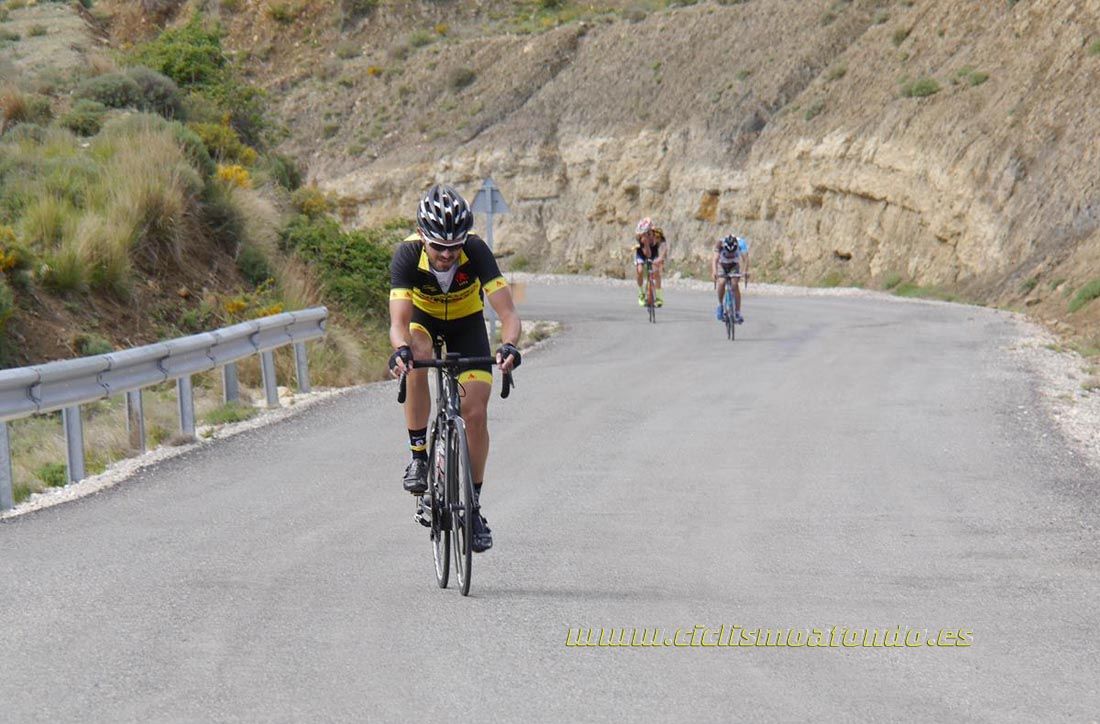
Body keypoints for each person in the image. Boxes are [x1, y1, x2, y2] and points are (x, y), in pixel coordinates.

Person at [388, 184, 522, 553]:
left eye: (454, 246)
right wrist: (400, 351)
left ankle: (473, 507)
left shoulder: (475, 250)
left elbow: (509, 314)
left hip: (467, 324)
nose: (447, 254)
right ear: (422, 236)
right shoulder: (407, 254)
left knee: (475, 412)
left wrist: (509, 345)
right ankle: (419, 457)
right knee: (416, 353)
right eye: (438, 247)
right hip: (423, 322)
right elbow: (398, 322)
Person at [713, 234, 749, 323]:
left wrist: (745, 271)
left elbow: (746, 259)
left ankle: (737, 312)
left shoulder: (741, 243)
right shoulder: (719, 244)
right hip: (722, 264)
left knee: (734, 284)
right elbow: (715, 260)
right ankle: (720, 305)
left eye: (732, 252)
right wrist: (714, 271)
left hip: (734, 265)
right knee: (721, 282)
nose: (730, 254)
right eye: (728, 253)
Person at [633, 217, 667, 307]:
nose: (646, 235)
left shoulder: (657, 233)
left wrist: (661, 258)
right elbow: (647, 254)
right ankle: (641, 294)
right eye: (644, 233)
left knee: (656, 272)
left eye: (648, 233)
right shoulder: (640, 238)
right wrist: (646, 243)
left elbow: (664, 246)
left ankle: (659, 298)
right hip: (642, 251)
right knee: (640, 270)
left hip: (654, 251)